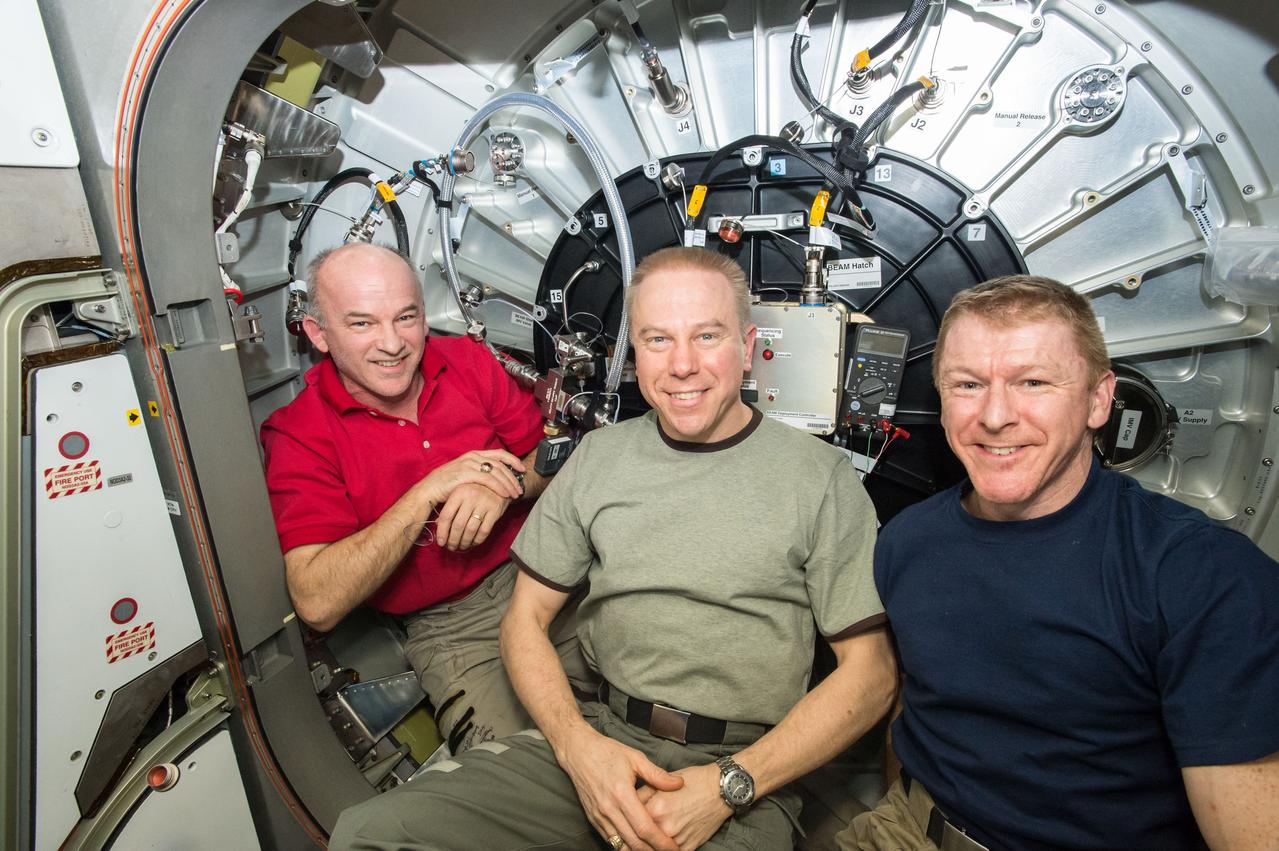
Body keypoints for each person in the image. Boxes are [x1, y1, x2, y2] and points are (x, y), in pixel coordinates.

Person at [329, 246, 897, 850]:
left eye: (707, 336)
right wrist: (578, 749)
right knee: (369, 835)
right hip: (603, 736)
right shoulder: (599, 458)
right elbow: (524, 621)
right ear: (634, 354)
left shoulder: (819, 479)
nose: (682, 365)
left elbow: (872, 676)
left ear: (748, 345)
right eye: (658, 340)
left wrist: (729, 785)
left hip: (743, 767)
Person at [841, 275, 1279, 851]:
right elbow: (913, 712)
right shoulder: (907, 541)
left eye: (1033, 382)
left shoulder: (1204, 576)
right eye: (968, 384)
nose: (995, 416)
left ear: (1099, 399)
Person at [261, 242, 591, 754]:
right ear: (318, 334)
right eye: (362, 323)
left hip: (546, 570)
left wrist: (502, 485)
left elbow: (553, 459)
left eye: (406, 317)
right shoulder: (298, 435)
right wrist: (426, 493)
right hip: (454, 630)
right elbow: (317, 602)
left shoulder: (467, 361)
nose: (392, 343)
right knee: (520, 769)